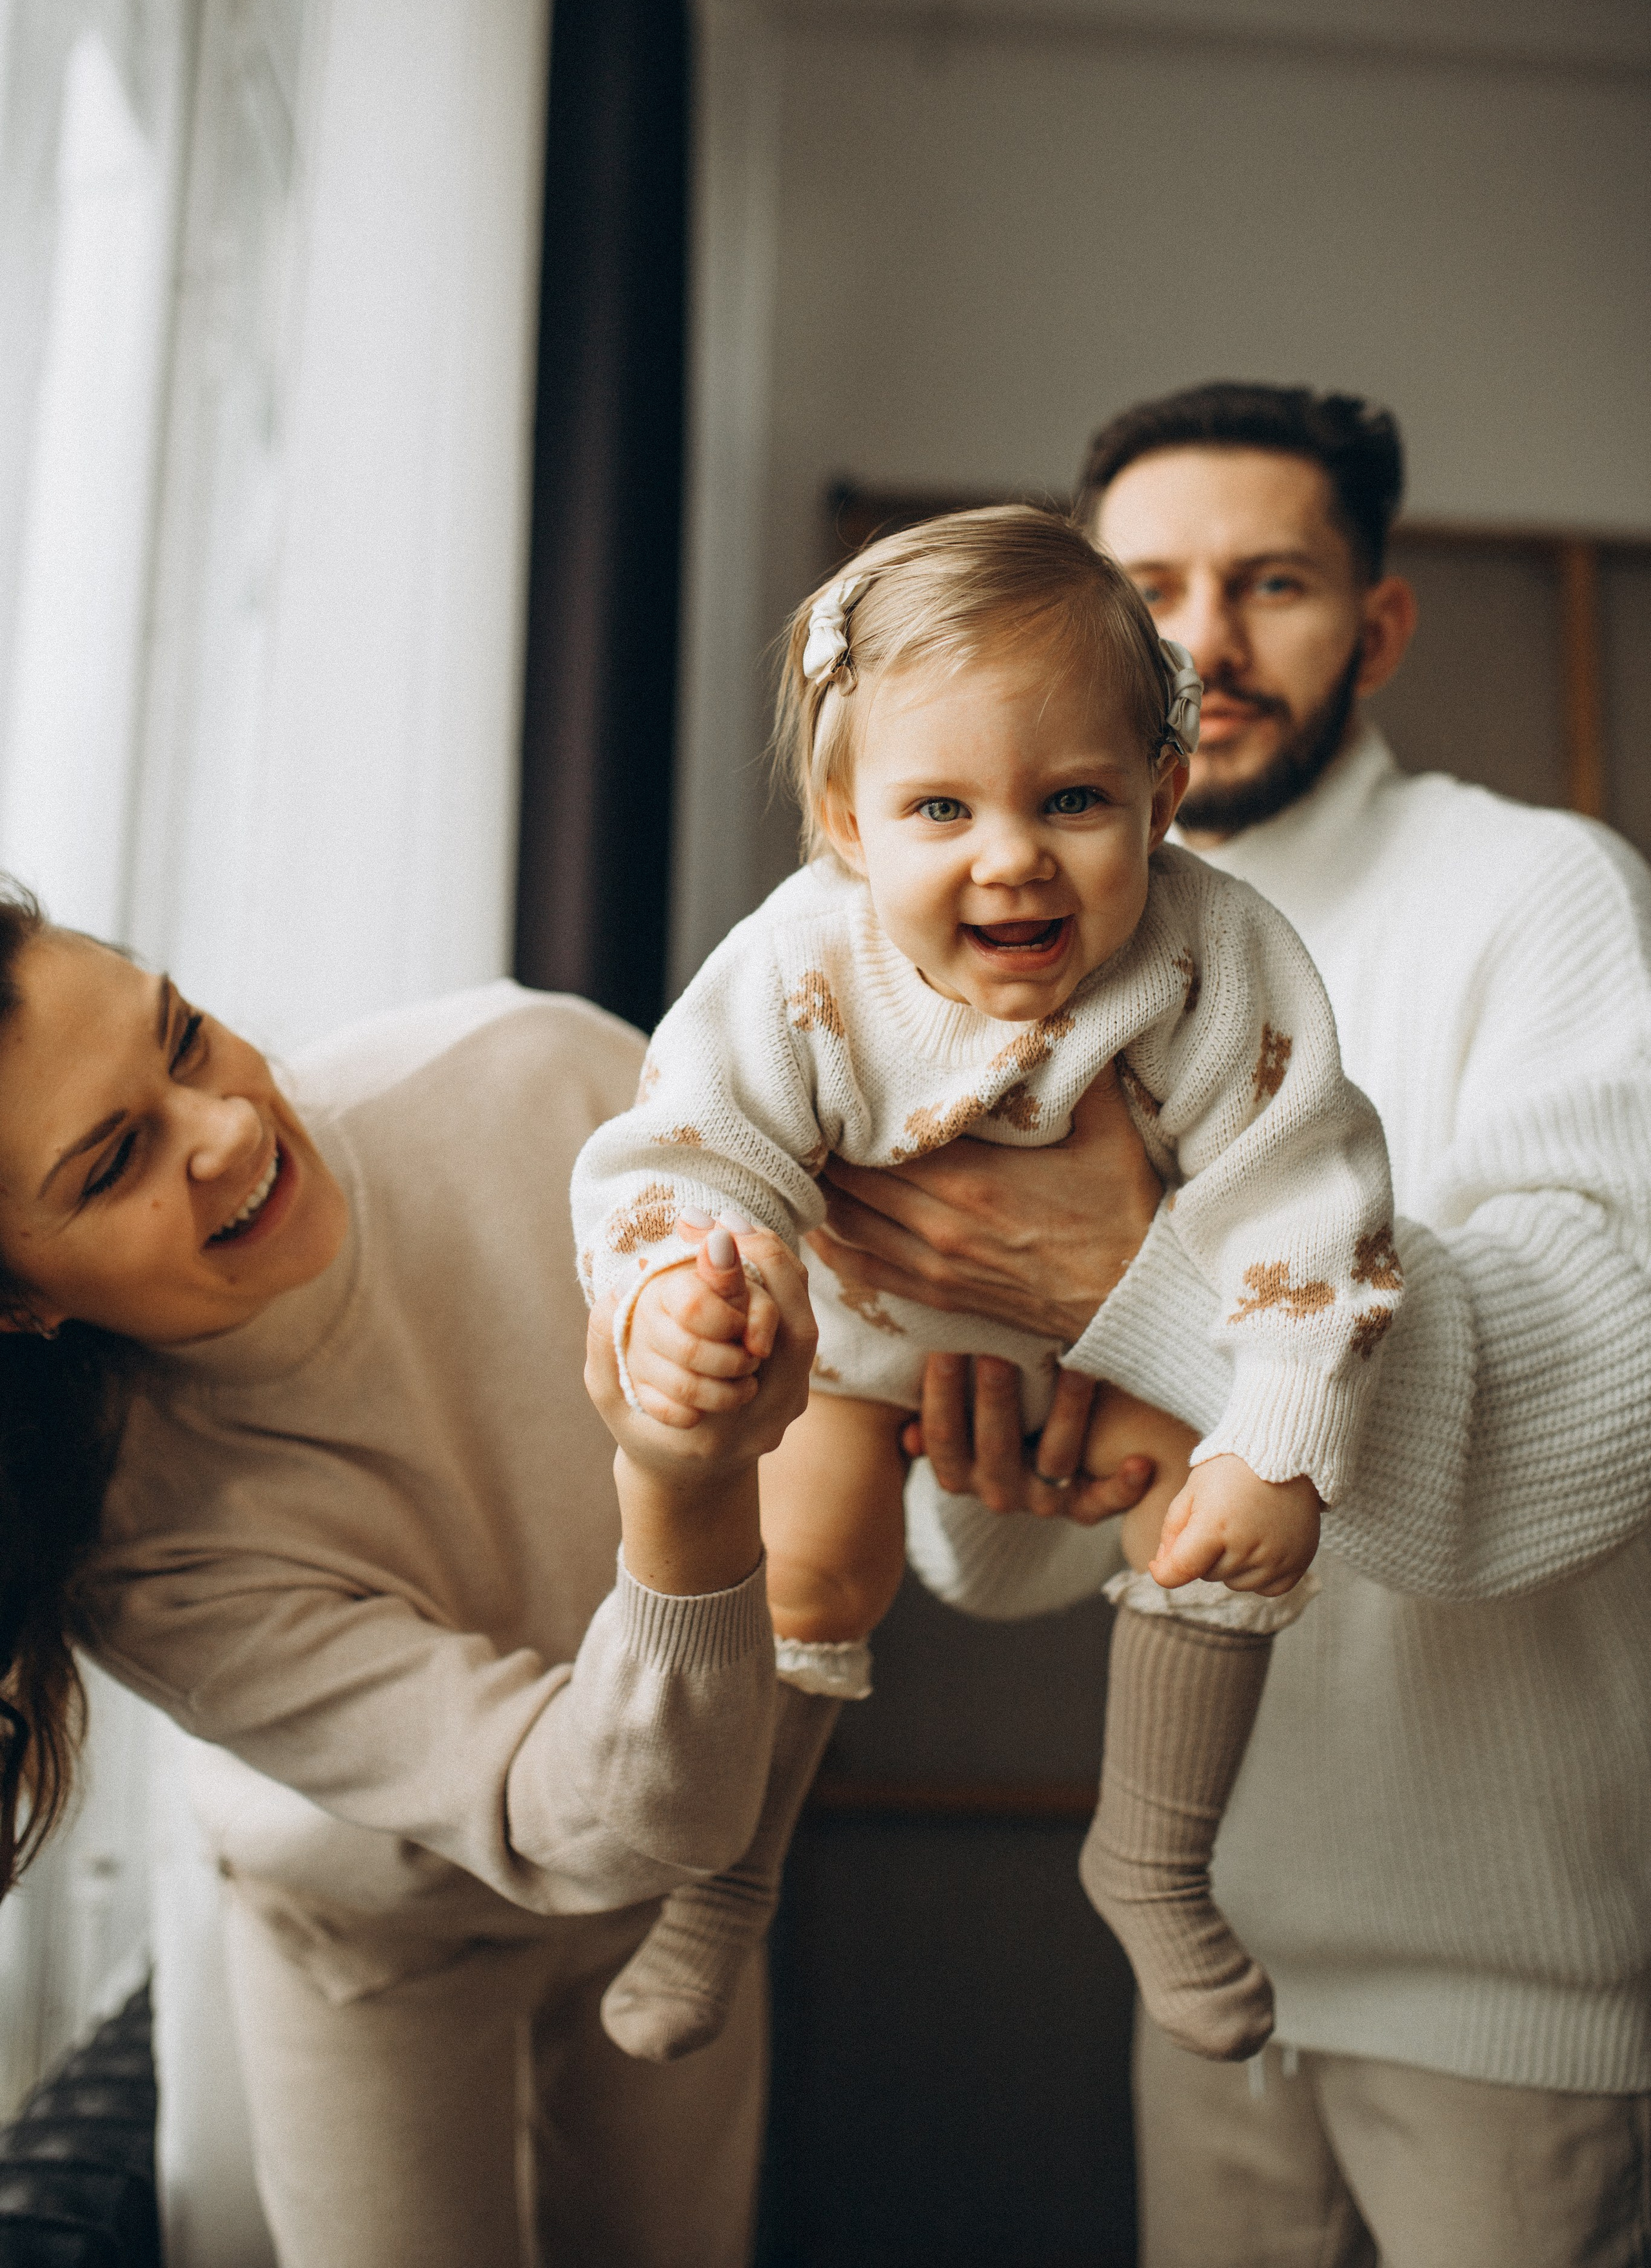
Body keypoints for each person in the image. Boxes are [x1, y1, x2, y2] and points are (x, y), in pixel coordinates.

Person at [809, 385, 1651, 2267]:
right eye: (1153, 587)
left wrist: (1134, 1275)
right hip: (1204, 1935)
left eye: (1271, 582)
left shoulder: (1544, 899)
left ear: (1379, 623)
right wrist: (1002, 1451)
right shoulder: (1041, 934)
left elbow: (1596, 1387)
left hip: (1506, 1990)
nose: (1204, 640)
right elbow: (1020, 1558)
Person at [573, 504, 1403, 2071]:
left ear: (1163, 797)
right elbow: (687, 1144)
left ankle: (1150, 1857)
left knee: (1215, 1529)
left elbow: (1302, 1188)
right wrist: (682, 1292)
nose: (1011, 857)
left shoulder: (1214, 964)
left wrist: (1283, 1421)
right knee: (806, 1563)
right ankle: (723, 1879)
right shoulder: (801, 971)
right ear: (844, 817)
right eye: (939, 807)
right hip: (856, 1347)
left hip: (1122, 1347)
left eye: (1073, 798)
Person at [0, 880, 816, 2268]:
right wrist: (683, 1485)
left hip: (694, 1857)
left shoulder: (534, 1076)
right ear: (24, 1301)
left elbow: (866, 1331)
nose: (226, 1130)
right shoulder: (135, 1546)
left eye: (186, 1037)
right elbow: (600, 1816)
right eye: (111, 1162)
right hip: (370, 1932)